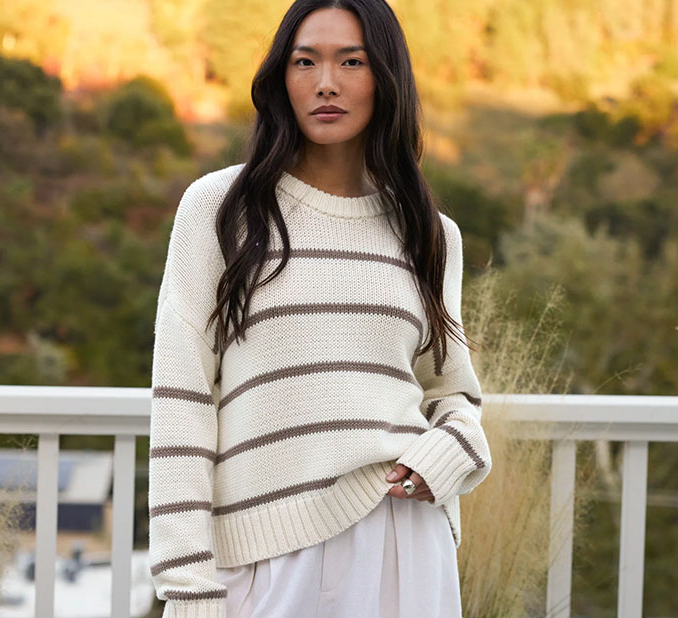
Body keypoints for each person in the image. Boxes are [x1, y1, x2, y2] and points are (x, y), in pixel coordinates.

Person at [147, 1, 493, 616]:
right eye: (305, 61)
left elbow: (452, 393)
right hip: (266, 556)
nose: (325, 82)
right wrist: (187, 586)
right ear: (282, 77)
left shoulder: (430, 234)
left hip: (400, 540)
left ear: (385, 79)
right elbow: (183, 400)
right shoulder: (220, 210)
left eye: (351, 61)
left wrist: (452, 451)